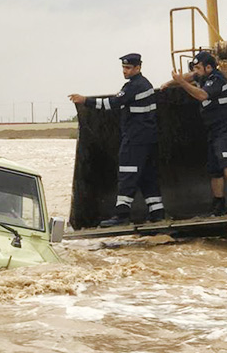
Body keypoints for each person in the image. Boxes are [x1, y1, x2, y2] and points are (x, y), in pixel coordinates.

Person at [69, 53, 164, 228]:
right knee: (146, 176)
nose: (124, 71)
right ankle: (157, 213)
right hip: (148, 138)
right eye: (123, 68)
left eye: (128, 68)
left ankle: (122, 215)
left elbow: (111, 104)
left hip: (135, 139)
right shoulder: (146, 85)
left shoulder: (134, 87)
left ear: (138, 68)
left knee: (127, 174)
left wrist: (85, 101)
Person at [163, 51, 227, 215]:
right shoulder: (203, 76)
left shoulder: (217, 79)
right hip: (214, 129)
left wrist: (181, 83)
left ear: (209, 67)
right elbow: (189, 76)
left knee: (226, 161)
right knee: (214, 168)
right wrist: (169, 83)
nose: (195, 71)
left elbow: (202, 95)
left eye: (198, 68)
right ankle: (218, 203)